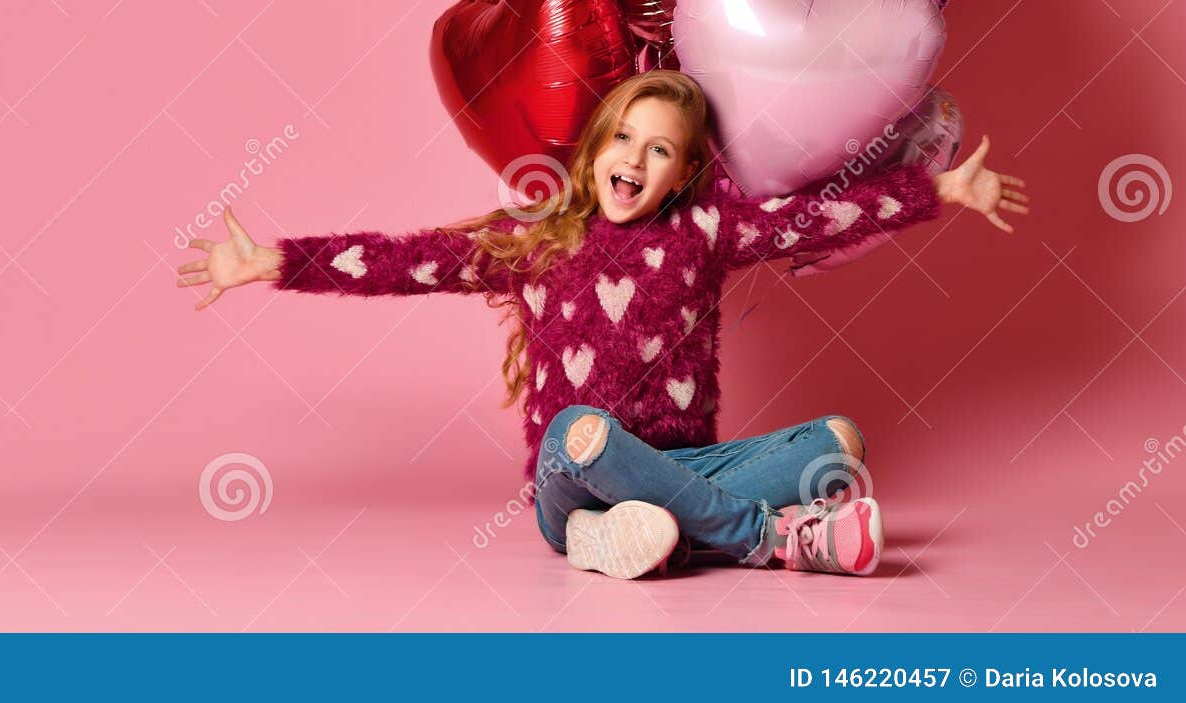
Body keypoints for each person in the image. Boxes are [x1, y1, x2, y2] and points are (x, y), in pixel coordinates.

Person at [175, 71, 1030, 579]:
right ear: (593, 150)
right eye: (623, 137)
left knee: (839, 442)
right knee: (583, 429)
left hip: (684, 463)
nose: (635, 158)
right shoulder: (534, 240)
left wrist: (938, 190)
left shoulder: (707, 233)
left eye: (659, 149)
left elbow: (812, 219)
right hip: (571, 469)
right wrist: (272, 262)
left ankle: (636, 539)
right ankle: (764, 539)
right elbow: (406, 261)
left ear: (683, 171)